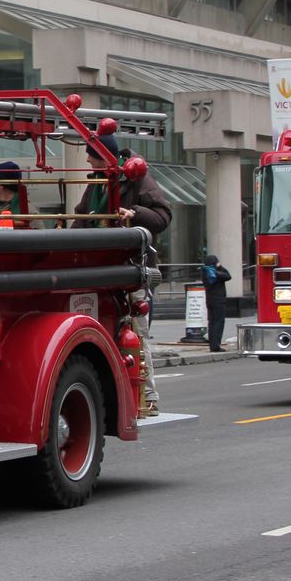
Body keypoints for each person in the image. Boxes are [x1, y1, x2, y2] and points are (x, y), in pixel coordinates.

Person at [73, 133, 172, 415]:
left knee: (137, 334)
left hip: (130, 269)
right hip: (99, 270)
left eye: (91, 154)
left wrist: (135, 213)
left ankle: (148, 397)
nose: (87, 159)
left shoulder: (138, 177)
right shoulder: (96, 182)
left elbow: (163, 217)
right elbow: (82, 219)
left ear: (105, 155)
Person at [202, 254, 232, 352]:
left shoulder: (205, 271)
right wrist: (220, 266)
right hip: (219, 300)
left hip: (209, 300)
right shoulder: (215, 272)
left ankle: (212, 344)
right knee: (218, 322)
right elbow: (228, 276)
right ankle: (216, 345)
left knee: (211, 323)